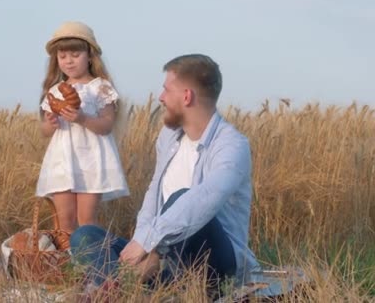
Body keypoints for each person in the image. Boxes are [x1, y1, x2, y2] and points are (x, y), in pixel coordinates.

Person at [71, 54, 261, 299]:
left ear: (187, 96)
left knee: (182, 197)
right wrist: (140, 244)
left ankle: (120, 286)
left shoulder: (232, 145)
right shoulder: (169, 137)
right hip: (160, 259)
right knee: (85, 236)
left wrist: (154, 246)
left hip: (215, 262)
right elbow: (153, 194)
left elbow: (204, 199)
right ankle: (138, 286)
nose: (160, 97)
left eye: (166, 89)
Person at [36, 21, 129, 233]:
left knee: (86, 220)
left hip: (91, 160)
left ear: (90, 56)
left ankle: (89, 262)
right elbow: (44, 131)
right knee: (63, 221)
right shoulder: (56, 90)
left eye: (75, 55)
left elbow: (106, 125)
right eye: (63, 56)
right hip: (62, 160)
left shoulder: (100, 88)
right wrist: (51, 124)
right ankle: (64, 263)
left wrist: (82, 119)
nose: (69, 61)